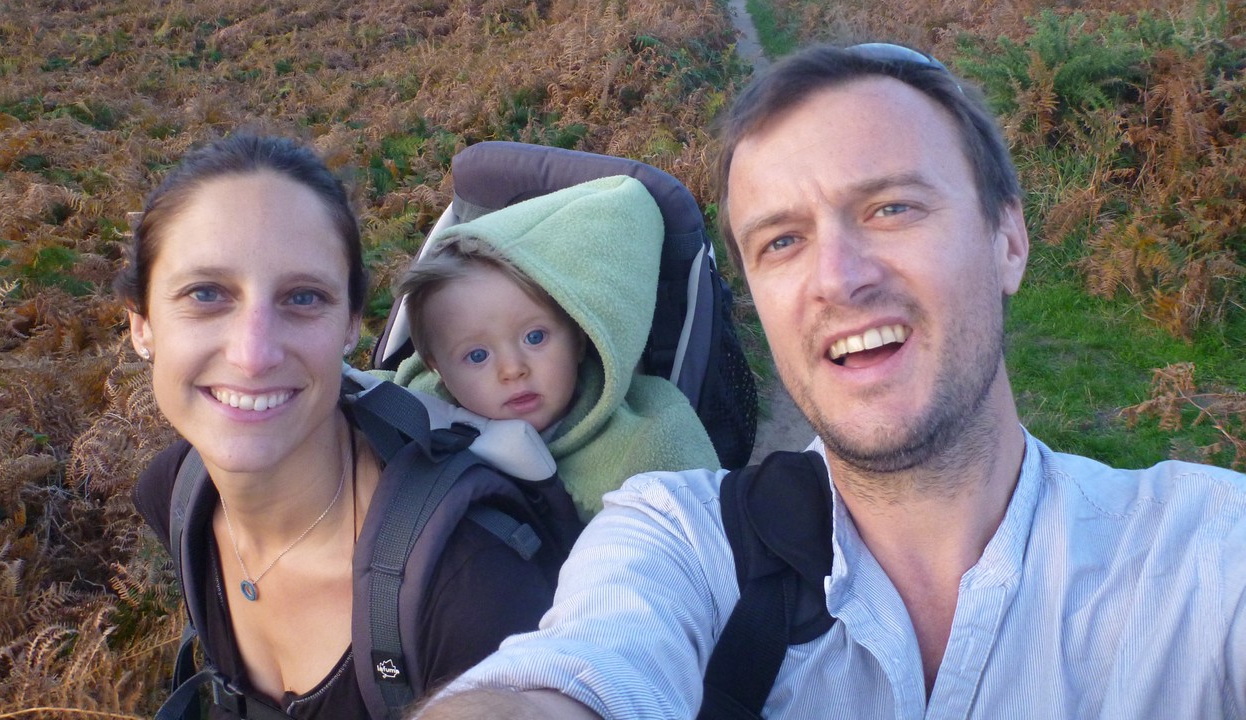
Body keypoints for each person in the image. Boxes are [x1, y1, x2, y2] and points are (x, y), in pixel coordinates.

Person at [411, 43, 1246, 719]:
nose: (837, 278)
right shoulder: (679, 541)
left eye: (891, 209)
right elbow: (577, 673)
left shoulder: (1204, 555)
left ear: (1010, 241)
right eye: (781, 242)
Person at [118, 133, 559, 718]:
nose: (253, 354)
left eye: (303, 297)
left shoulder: (471, 590)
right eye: (206, 294)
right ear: (142, 325)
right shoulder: (176, 496)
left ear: (351, 326)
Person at [388, 175, 720, 519]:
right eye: (477, 356)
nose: (513, 369)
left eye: (535, 337)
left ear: (578, 338)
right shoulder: (419, 414)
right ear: (438, 369)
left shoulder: (646, 445)